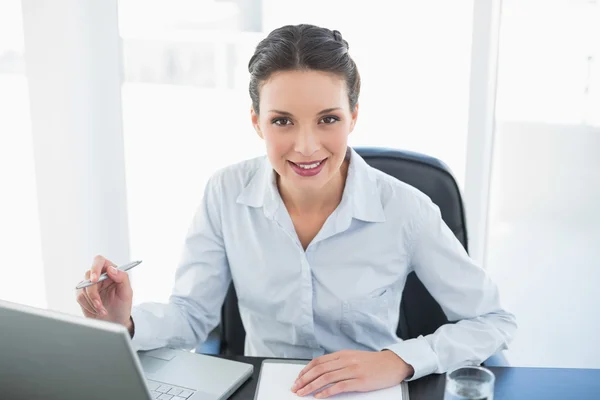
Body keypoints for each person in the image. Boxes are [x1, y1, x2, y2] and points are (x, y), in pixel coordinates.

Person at [76, 24, 516, 398]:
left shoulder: (406, 208)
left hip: (370, 391)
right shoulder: (224, 193)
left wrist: (399, 360)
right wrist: (126, 323)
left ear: (353, 117)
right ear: (256, 121)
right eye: (282, 121)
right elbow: (192, 316)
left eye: (328, 119)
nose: (306, 146)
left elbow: (493, 320)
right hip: (265, 387)